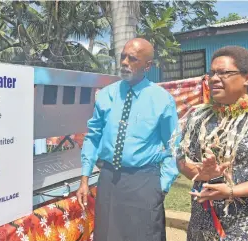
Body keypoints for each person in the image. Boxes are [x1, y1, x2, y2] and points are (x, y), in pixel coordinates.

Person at [76, 38, 180, 241]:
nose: (124, 62)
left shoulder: (161, 99)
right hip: (108, 179)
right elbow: (93, 136)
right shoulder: (106, 95)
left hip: (144, 181)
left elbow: (174, 145)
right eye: (123, 56)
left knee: (144, 235)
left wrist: (163, 184)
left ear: (147, 65)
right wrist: (84, 177)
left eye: (132, 58)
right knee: (107, 235)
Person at [177, 46, 248, 240]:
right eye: (212, 73)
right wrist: (200, 173)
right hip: (203, 224)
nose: (214, 78)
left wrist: (231, 191)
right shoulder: (200, 117)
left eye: (224, 73)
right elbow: (182, 159)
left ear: (247, 78)